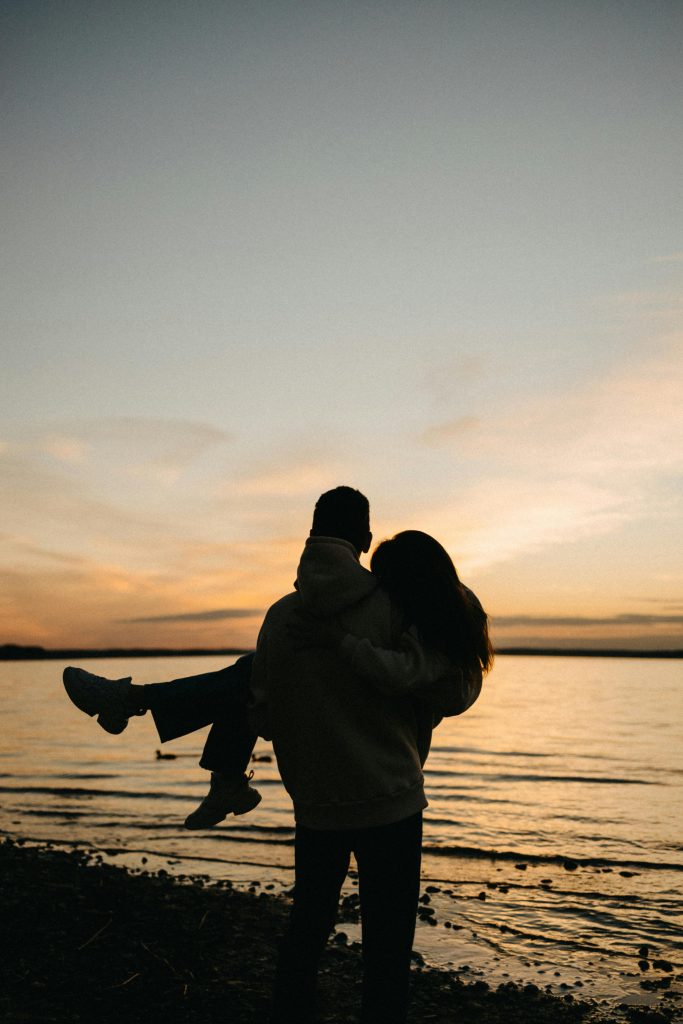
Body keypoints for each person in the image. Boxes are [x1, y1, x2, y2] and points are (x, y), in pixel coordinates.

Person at [250, 488, 493, 1024]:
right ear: (362, 538)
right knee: (388, 942)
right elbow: (443, 686)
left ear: (312, 533)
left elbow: (262, 715)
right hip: (391, 800)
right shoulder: (396, 608)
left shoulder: (280, 616)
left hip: (316, 803)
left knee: (308, 926)